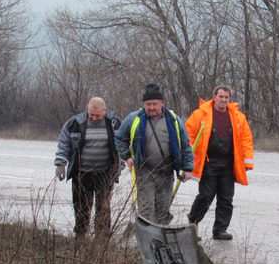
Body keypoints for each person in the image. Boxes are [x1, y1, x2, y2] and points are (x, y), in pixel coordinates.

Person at [115, 84, 194, 225]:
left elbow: (185, 145)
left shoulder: (174, 120)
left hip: (167, 171)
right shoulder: (134, 119)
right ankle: (147, 240)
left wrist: (188, 168)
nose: (151, 107)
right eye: (148, 104)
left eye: (154, 104)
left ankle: (160, 240)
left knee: (162, 210)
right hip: (145, 170)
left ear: (162, 103)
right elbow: (119, 139)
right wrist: (127, 156)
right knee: (146, 210)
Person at [185, 85, 254, 240]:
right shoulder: (200, 114)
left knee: (226, 198)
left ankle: (220, 230)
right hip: (208, 163)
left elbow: (245, 140)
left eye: (226, 97)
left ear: (230, 99)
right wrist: (189, 155)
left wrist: (247, 162)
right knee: (205, 196)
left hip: (228, 164)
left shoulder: (237, 117)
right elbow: (188, 134)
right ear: (214, 96)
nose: (223, 100)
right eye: (221, 97)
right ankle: (192, 223)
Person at [54, 97, 123, 237]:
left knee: (103, 208)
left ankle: (102, 239)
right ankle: (80, 237)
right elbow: (64, 144)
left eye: (97, 115)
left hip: (105, 173)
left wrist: (120, 166)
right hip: (81, 173)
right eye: (91, 114)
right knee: (81, 208)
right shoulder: (75, 123)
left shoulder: (115, 124)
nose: (94, 118)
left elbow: (123, 145)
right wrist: (60, 164)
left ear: (105, 110)